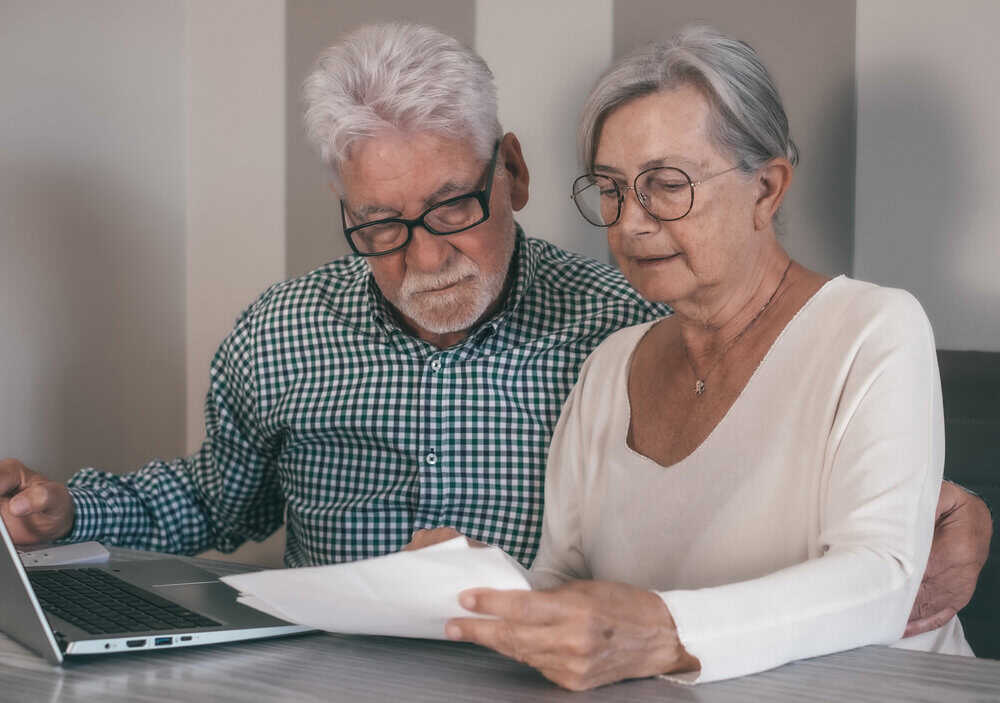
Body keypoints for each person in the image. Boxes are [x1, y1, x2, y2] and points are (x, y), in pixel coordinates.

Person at [0, 22, 988, 638]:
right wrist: (69, 510)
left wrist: (949, 508)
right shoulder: (283, 330)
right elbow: (223, 494)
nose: (425, 259)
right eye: (380, 227)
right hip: (330, 675)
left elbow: (786, 483)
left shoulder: (627, 317)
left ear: (509, 172)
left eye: (452, 209)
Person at [430, 26, 984, 688]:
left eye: (665, 184)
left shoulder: (875, 329)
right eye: (611, 188)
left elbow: (880, 580)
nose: (629, 221)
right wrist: (479, 588)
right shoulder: (610, 365)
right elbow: (563, 581)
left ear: (766, 189)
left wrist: (663, 632)